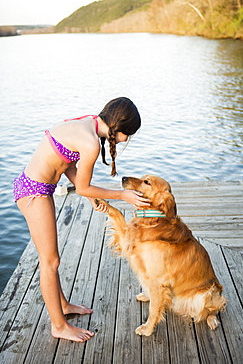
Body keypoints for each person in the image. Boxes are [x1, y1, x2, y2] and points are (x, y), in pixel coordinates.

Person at [13, 97, 149, 343]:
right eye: (129, 134)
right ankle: (58, 325)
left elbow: (65, 165)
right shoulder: (91, 143)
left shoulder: (87, 123)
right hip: (33, 192)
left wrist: (88, 197)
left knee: (52, 259)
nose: (127, 140)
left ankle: (62, 305)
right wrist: (122, 194)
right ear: (119, 128)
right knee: (50, 261)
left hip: (38, 187)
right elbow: (84, 186)